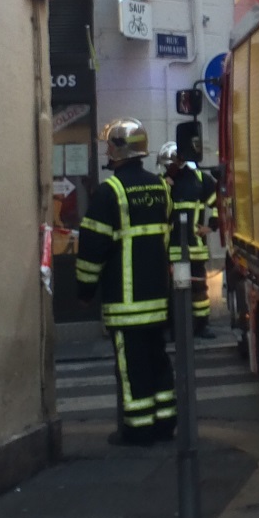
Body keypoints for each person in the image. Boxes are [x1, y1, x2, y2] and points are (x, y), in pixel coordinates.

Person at [76, 118, 176, 446]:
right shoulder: (161, 187)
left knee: (132, 368)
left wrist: (85, 290)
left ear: (119, 150)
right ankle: (165, 422)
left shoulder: (111, 192)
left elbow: (92, 248)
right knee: (158, 360)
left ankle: (137, 428)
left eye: (109, 145)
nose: (107, 149)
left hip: (126, 302)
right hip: (158, 298)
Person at [158, 140, 220, 339]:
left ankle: (201, 326)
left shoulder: (201, 179)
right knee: (175, 290)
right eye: (167, 166)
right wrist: (165, 185)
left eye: (171, 164)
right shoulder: (162, 183)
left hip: (195, 248)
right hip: (172, 250)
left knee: (199, 288)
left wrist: (211, 226)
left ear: (180, 161)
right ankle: (175, 328)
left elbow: (219, 202)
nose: (169, 168)